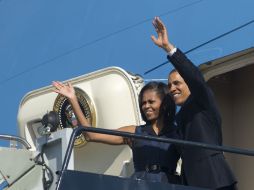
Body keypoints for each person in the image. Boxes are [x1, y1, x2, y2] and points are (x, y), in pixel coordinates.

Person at [151, 17, 237, 189]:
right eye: (169, 85)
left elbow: (195, 77)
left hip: (215, 180)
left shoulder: (202, 100)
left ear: (189, 84)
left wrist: (168, 48)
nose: (172, 88)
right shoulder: (179, 118)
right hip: (191, 183)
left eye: (177, 83)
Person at [52, 81, 180, 183]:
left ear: (164, 104)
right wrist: (73, 100)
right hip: (140, 185)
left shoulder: (178, 132)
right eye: (143, 103)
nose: (146, 106)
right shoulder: (135, 131)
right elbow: (91, 135)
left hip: (169, 184)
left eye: (151, 102)